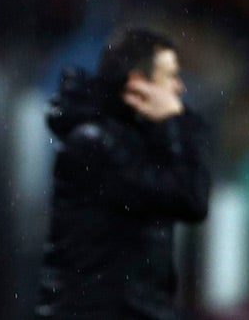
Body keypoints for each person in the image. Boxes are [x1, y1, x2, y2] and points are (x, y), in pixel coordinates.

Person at [35, 28, 210, 319]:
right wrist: (173, 123)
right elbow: (189, 197)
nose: (179, 87)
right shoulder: (96, 144)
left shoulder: (129, 137)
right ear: (139, 86)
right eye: (169, 76)